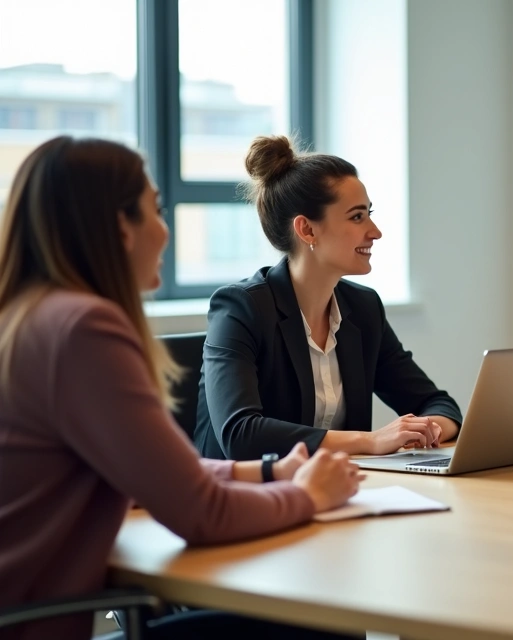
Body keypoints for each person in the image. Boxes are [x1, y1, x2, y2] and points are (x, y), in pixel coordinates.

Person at [0, 136, 362, 640]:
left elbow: (153, 469)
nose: (165, 232)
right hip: (34, 626)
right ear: (119, 228)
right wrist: (307, 496)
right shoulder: (83, 330)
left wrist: (263, 472)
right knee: (323, 623)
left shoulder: (27, 319)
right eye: (156, 209)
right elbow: (202, 514)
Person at [194, 136, 463, 460]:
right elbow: (241, 435)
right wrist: (370, 441)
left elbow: (439, 405)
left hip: (337, 491)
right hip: (245, 498)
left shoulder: (363, 309)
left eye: (369, 214)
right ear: (307, 230)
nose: (375, 231)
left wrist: (424, 430)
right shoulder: (240, 309)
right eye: (357, 217)